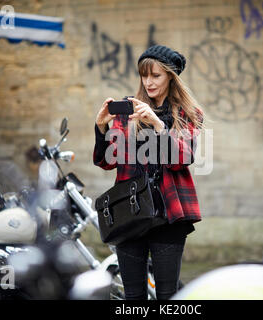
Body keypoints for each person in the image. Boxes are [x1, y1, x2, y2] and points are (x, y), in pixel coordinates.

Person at [93, 44, 204, 300]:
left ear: (171, 77)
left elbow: (183, 158)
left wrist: (157, 124)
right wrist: (101, 128)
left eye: (156, 75)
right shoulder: (129, 111)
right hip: (130, 212)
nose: (149, 82)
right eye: (145, 75)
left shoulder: (188, 114)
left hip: (169, 213)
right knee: (133, 295)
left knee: (167, 295)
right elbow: (107, 161)